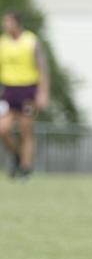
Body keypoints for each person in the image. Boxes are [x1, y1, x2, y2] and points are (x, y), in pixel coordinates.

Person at [0, 11, 49, 178]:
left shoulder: (30, 40)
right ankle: (17, 156)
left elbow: (42, 68)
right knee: (3, 130)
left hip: (28, 90)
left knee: (25, 130)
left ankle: (26, 168)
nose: (5, 25)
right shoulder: (3, 42)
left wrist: (43, 92)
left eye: (7, 22)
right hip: (9, 91)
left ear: (16, 23)